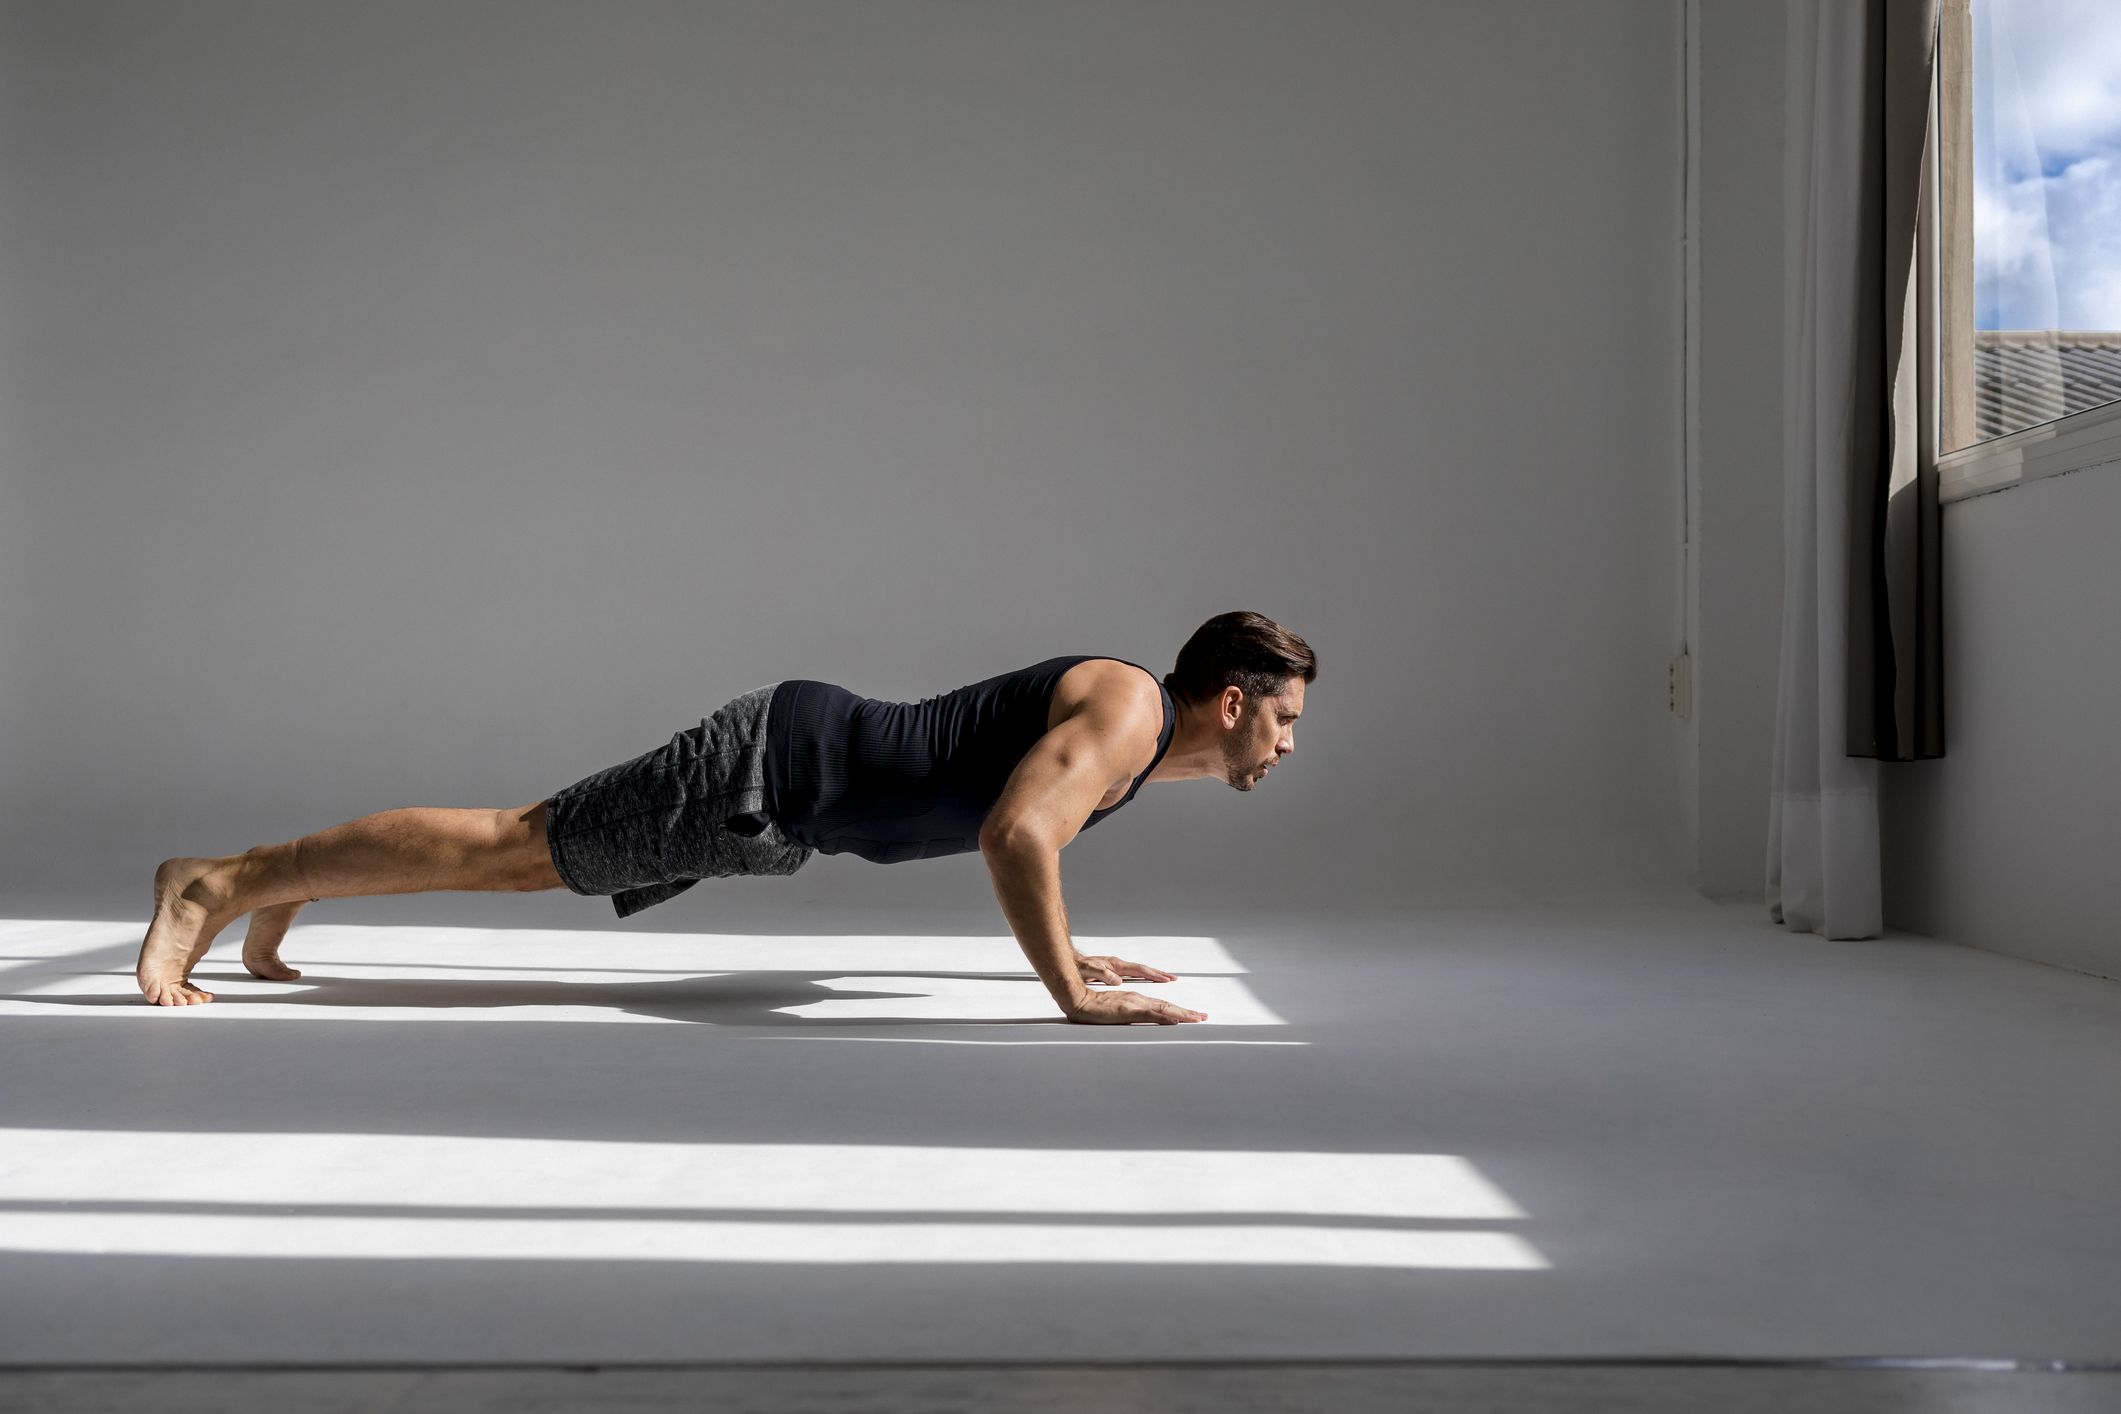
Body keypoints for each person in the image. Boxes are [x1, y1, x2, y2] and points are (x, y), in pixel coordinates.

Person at [134, 611, 1315, 1024]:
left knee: (523, 861)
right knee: (514, 850)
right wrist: (1070, 988)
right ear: (1232, 700)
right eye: (1287, 720)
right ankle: (216, 879)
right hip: (771, 766)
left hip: (780, 809)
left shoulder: (1141, 737)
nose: (1289, 744)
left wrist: (1070, 942)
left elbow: (1029, 826)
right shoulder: (1125, 707)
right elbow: (1015, 833)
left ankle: (270, 885)